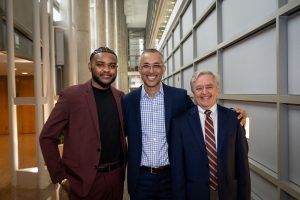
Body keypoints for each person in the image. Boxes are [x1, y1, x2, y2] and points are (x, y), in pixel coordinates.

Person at [122, 48, 247, 200]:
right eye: (146, 65)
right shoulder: (128, 101)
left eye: (156, 65)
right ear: (140, 69)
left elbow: (203, 111)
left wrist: (236, 116)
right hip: (141, 178)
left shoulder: (178, 97)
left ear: (163, 68)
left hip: (171, 177)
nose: (151, 70)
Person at [39, 47, 127, 200]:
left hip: (116, 178)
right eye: (100, 64)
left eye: (112, 66)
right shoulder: (71, 96)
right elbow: (47, 137)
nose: (107, 70)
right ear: (90, 66)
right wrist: (61, 178)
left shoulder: (120, 97)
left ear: (116, 69)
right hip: (84, 181)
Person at [171, 70, 251, 200]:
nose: (204, 92)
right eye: (199, 88)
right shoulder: (180, 123)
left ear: (217, 89)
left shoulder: (235, 119)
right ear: (193, 92)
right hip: (194, 194)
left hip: (229, 193)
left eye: (209, 87)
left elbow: (243, 165)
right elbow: (177, 171)